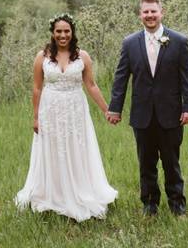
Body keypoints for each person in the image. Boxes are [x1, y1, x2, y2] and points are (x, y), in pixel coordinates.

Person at [15, 13, 118, 221]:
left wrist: (108, 109)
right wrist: (35, 117)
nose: (63, 35)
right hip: (50, 110)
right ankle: (54, 194)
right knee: (53, 149)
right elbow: (36, 88)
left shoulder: (83, 56)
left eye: (66, 31)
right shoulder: (41, 57)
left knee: (75, 147)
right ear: (53, 33)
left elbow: (91, 85)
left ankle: (79, 191)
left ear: (72, 33)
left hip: (75, 110)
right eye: (59, 31)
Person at [106, 0, 188, 216]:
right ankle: (149, 205)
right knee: (146, 164)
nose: (150, 15)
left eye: (153, 11)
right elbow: (120, 79)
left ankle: (177, 206)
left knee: (171, 163)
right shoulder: (129, 43)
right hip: (142, 114)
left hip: (171, 114)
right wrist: (115, 108)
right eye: (145, 12)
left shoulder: (179, 41)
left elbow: (187, 79)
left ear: (161, 13)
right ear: (140, 15)